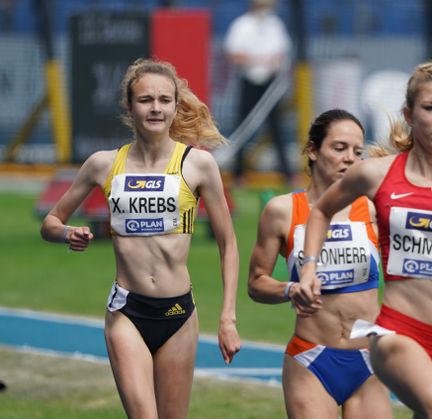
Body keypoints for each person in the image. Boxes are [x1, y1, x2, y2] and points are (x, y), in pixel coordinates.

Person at [40, 58, 241, 419]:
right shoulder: (103, 164)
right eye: (146, 99)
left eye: (165, 100)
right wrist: (70, 232)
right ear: (129, 107)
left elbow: (228, 244)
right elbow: (51, 222)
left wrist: (228, 317)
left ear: (176, 107)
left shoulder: (198, 165)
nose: (156, 108)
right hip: (127, 312)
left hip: (179, 313)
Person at [296, 61, 432, 419]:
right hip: (400, 331)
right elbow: (320, 211)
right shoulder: (376, 173)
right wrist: (310, 266)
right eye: (430, 108)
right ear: (409, 113)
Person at [247, 109, 393, 418]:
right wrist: (290, 289)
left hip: (368, 358)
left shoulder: (372, 208)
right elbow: (256, 282)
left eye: (357, 151)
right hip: (312, 358)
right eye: (339, 148)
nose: (349, 158)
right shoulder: (283, 210)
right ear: (313, 150)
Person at [224, 0, 294, 185]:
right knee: (244, 125)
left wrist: (268, 63)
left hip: (269, 84)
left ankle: (286, 173)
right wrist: (257, 61)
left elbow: (281, 52)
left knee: (276, 128)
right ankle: (238, 173)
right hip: (249, 80)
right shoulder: (241, 25)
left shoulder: (275, 25)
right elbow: (234, 53)